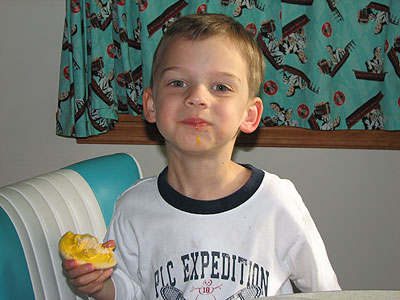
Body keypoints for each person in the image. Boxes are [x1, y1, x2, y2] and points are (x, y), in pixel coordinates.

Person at [62, 13, 340, 300]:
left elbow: (328, 293)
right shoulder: (134, 207)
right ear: (152, 105)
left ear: (249, 114)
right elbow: (129, 290)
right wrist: (98, 286)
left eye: (221, 87)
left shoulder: (277, 203)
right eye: (178, 83)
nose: (197, 97)